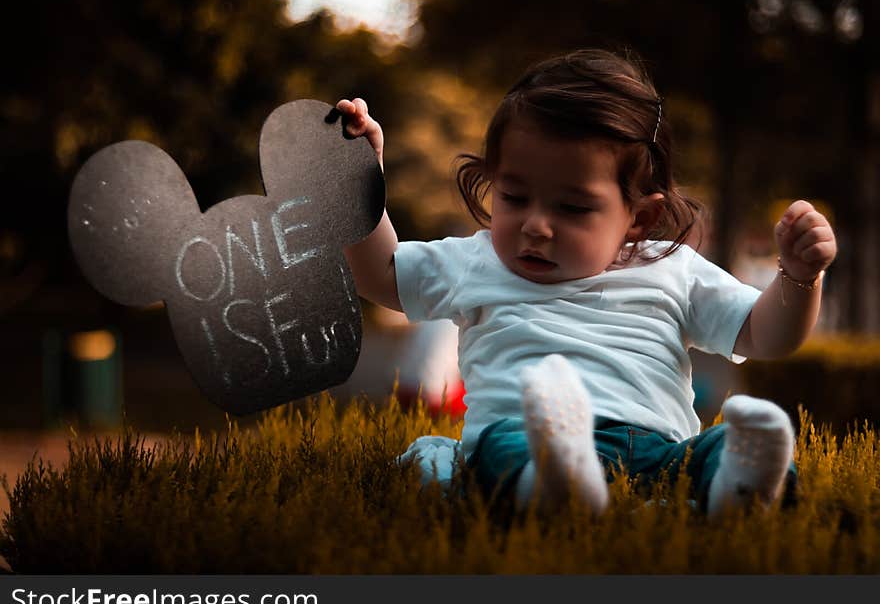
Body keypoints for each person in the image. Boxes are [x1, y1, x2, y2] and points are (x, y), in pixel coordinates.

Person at [336, 48, 837, 518]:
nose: (536, 225)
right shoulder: (477, 261)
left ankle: (735, 483)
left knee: (713, 447)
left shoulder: (671, 268)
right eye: (513, 197)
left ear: (639, 218)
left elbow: (765, 334)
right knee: (495, 448)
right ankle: (551, 481)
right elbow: (380, 274)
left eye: (571, 208)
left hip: (657, 451)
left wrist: (798, 276)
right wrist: (361, 177)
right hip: (528, 434)